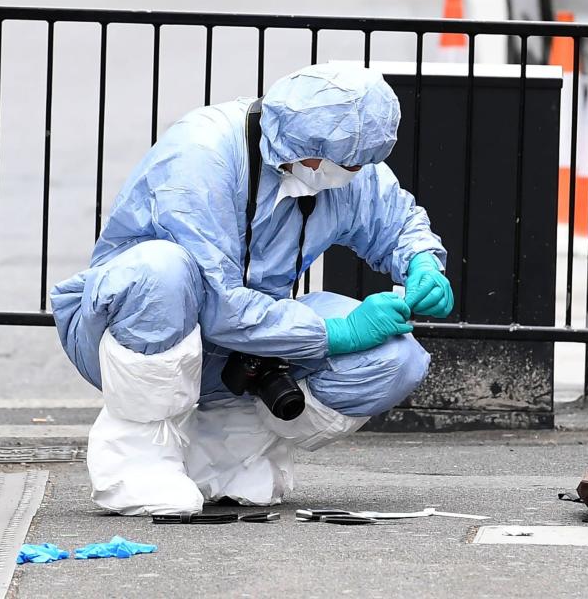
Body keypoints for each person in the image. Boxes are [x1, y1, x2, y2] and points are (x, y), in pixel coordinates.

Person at [50, 63, 453, 516]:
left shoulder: (335, 165)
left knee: (395, 358)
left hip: (245, 349)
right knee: (160, 270)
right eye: (350, 163)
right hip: (135, 329)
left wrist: (421, 263)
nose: (356, 173)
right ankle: (139, 459)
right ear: (307, 147)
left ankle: (230, 448)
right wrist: (337, 333)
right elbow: (221, 305)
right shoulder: (201, 154)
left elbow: (395, 220)